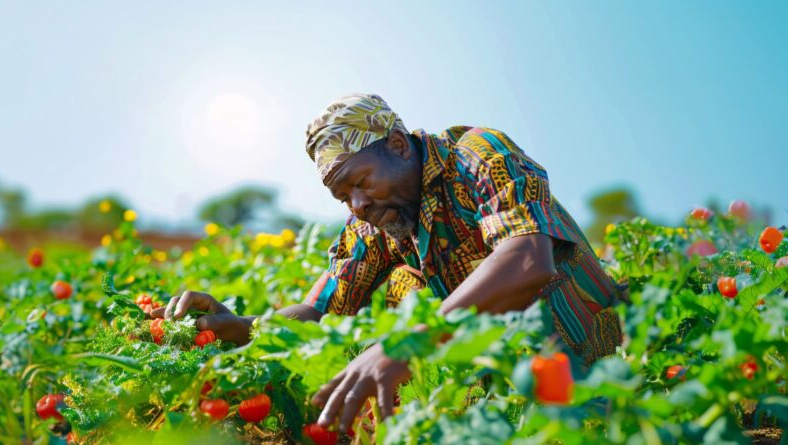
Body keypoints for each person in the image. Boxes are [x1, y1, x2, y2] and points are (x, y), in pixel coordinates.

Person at [152, 93, 625, 434]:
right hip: (505, 392)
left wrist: (407, 342)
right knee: (406, 284)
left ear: (398, 146)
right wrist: (235, 325)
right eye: (342, 196)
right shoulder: (376, 222)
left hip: (600, 364)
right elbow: (320, 313)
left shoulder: (478, 155)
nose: (355, 205)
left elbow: (527, 260)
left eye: (360, 181)